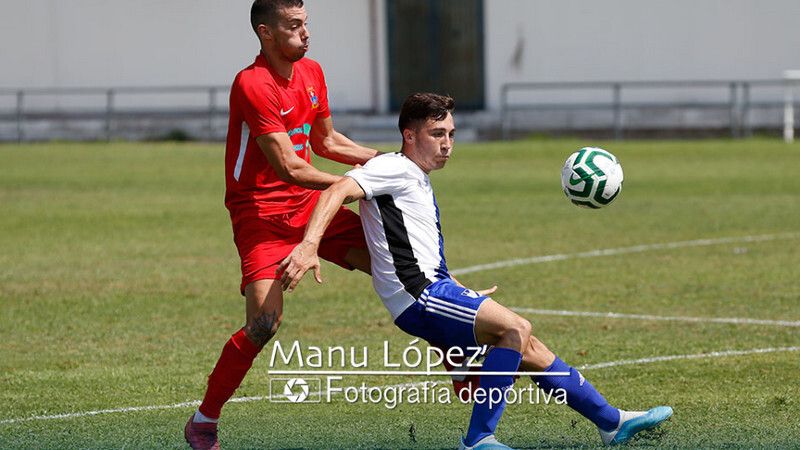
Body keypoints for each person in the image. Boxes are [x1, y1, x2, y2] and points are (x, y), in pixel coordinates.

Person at [279, 93, 673, 449]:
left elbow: (415, 251)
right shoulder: (392, 167)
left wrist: (460, 290)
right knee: (515, 329)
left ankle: (612, 422)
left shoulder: (414, 175)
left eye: (451, 133)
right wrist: (309, 245)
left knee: (529, 349)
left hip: (437, 289)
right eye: (436, 133)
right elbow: (337, 190)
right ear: (410, 136)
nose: (447, 143)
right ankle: (478, 439)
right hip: (421, 298)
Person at [184, 1, 381, 449]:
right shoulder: (251, 84)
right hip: (261, 216)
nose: (306, 33)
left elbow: (326, 141)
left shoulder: (312, 72)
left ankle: (460, 364)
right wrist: (356, 186)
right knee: (264, 324)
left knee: (395, 267)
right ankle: (203, 421)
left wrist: (385, 161)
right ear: (266, 33)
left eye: (306, 23)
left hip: (312, 205)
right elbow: (291, 166)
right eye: (294, 26)